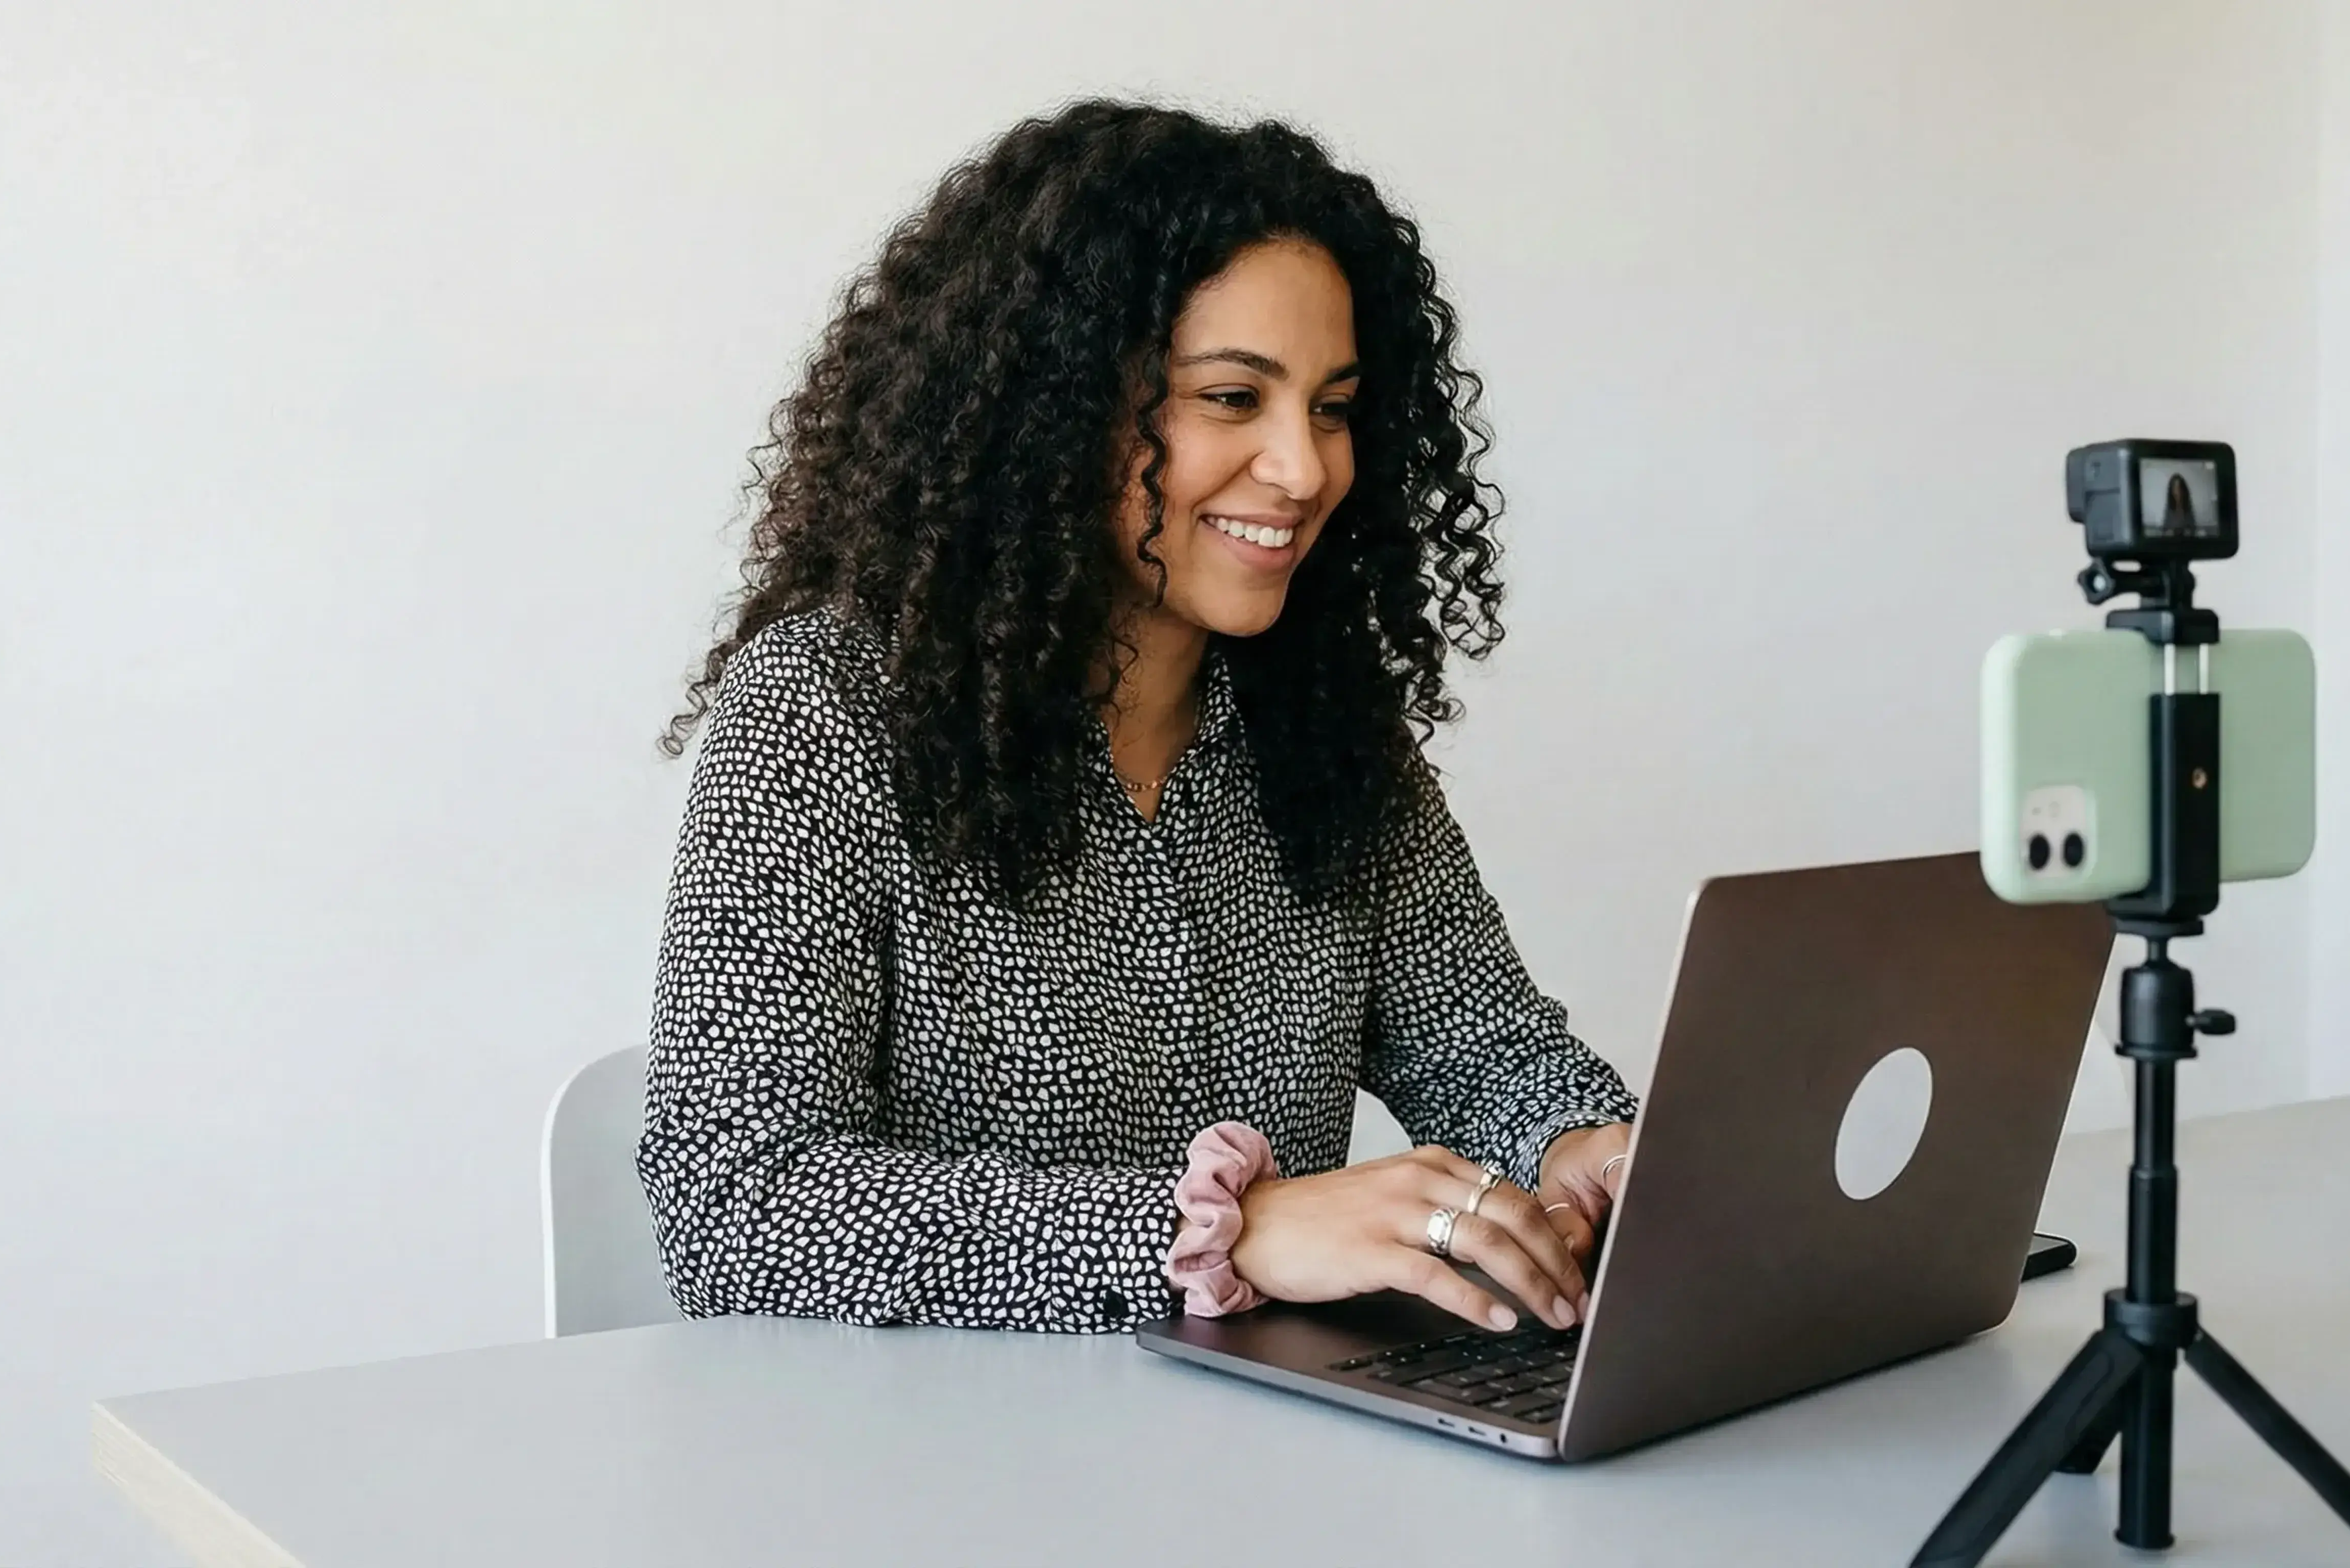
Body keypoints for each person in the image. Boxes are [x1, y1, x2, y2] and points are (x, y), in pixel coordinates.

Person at [640, 99, 1638, 1339]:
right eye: (1231, 398)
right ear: (1049, 411)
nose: (1303, 467)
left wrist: (1592, 1151)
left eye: (1331, 407)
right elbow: (737, 1208)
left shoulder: (1321, 732)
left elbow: (1481, 1052)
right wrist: (1232, 1235)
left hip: (1261, 1474)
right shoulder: (821, 715)